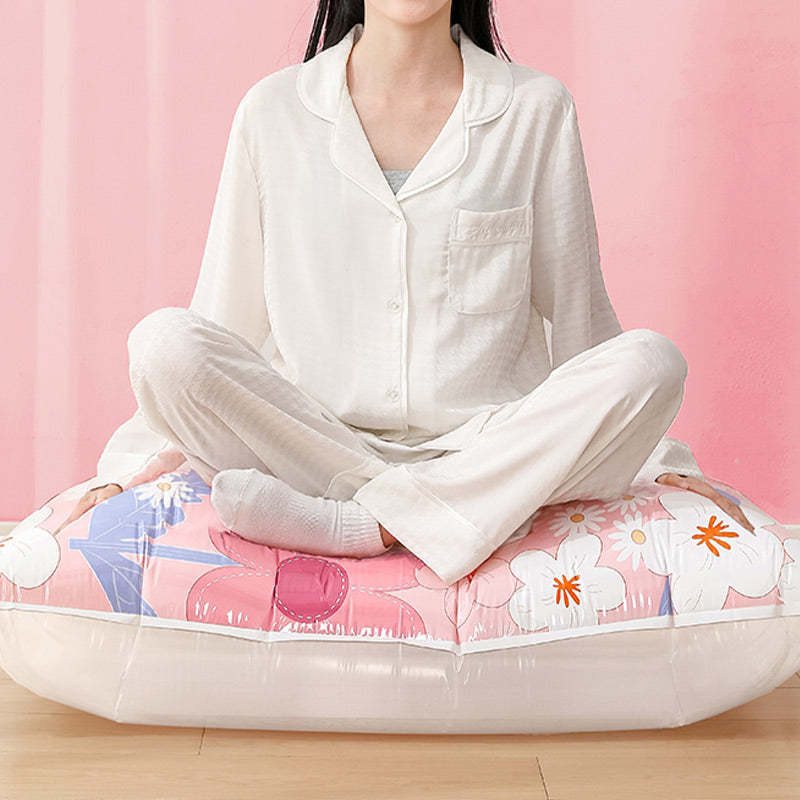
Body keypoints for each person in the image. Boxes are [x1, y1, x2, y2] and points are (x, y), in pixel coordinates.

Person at [66, 0, 754, 585]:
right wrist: (123, 468)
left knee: (651, 362)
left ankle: (369, 523)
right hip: (311, 440)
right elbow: (223, 320)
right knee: (163, 343)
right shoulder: (273, 112)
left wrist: (658, 456)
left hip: (485, 447)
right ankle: (433, 513)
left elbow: (583, 320)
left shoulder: (534, 109)